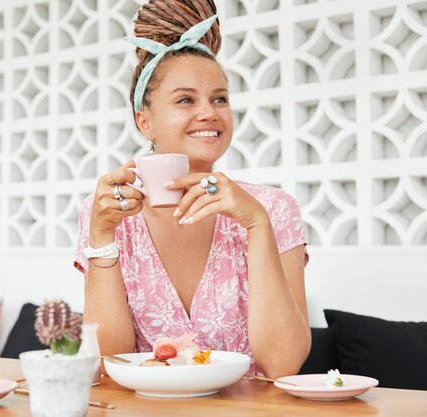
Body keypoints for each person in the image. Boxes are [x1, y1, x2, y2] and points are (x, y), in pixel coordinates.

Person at [74, 0, 310, 378]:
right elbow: (108, 362)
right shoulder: (108, 212)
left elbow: (283, 365)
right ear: (144, 121)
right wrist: (102, 234)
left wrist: (256, 223)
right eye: (186, 100)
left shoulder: (272, 208)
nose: (209, 113)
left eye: (220, 98)